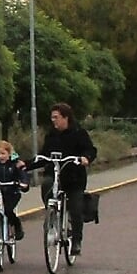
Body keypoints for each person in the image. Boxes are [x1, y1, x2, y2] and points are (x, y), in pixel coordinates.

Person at [40, 103, 98, 258]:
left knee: (76, 208)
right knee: (46, 183)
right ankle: (52, 213)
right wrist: (25, 164)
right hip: (55, 174)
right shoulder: (51, 135)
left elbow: (90, 149)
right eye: (52, 117)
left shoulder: (79, 133)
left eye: (56, 117)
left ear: (65, 117)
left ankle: (77, 240)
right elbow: (43, 156)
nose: (53, 120)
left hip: (74, 178)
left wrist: (86, 158)